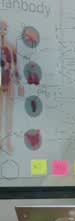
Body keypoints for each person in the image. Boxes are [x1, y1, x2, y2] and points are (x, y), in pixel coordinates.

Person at [0, 20, 23, 154]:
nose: (3, 31)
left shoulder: (11, 47)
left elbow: (16, 68)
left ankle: (8, 141)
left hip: (9, 84)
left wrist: (19, 85)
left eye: (4, 28)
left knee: (8, 114)